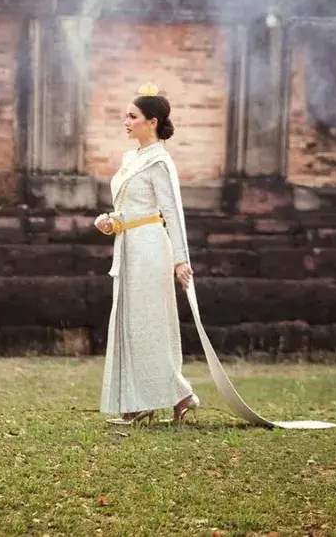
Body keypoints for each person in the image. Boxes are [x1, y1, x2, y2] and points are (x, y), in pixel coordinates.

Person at [94, 82, 199, 426]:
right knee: (129, 322)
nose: (125, 121)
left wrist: (180, 260)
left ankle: (175, 395)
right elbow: (129, 207)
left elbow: (173, 211)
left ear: (151, 121)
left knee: (150, 324)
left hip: (152, 247)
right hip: (128, 245)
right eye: (126, 115)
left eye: (132, 116)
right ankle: (146, 401)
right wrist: (111, 221)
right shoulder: (130, 159)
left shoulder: (159, 161)